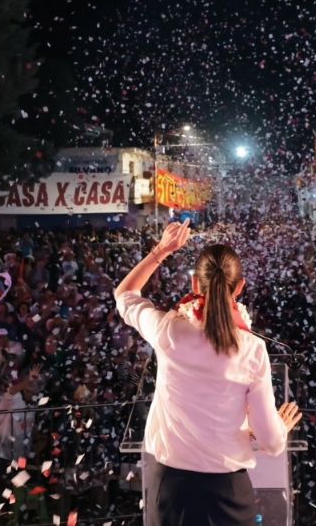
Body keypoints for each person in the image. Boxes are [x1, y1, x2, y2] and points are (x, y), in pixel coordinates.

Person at [114, 220, 301, 525]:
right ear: (240, 287)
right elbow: (270, 441)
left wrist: (161, 251)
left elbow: (124, 295)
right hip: (227, 494)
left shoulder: (167, 330)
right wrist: (280, 427)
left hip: (171, 491)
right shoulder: (251, 348)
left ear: (194, 286)